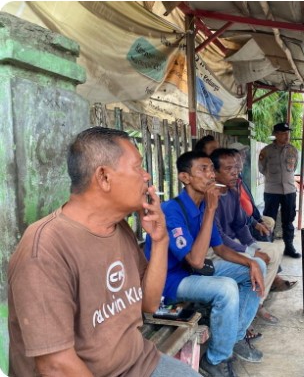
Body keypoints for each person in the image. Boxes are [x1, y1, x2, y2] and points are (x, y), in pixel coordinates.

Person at [8, 127, 199, 377]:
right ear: (104, 177)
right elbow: (55, 366)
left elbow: (149, 303)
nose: (146, 176)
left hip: (140, 363)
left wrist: (161, 239)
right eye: (138, 167)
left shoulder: (119, 228)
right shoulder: (45, 248)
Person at [144, 150, 266, 377]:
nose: (211, 175)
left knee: (258, 266)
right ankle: (216, 359)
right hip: (169, 283)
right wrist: (211, 209)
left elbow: (220, 249)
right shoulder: (172, 210)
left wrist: (252, 263)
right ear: (184, 177)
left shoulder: (202, 206)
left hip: (192, 273)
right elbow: (196, 260)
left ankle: (234, 338)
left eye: (212, 169)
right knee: (226, 289)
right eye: (203, 169)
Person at [210, 148, 283, 324]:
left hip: (231, 243)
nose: (235, 172)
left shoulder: (232, 193)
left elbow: (240, 225)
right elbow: (218, 237)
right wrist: (250, 252)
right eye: (228, 169)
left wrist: (253, 247)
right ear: (214, 172)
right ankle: (248, 311)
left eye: (236, 167)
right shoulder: (210, 197)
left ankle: (257, 303)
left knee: (275, 249)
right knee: (257, 263)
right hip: (215, 248)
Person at [258, 122, 300, 258]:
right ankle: (267, 246)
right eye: (282, 133)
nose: (286, 135)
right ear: (275, 134)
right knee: (269, 219)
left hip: (289, 190)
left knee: (288, 220)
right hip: (272, 190)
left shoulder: (293, 150)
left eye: (287, 133)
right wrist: (273, 178)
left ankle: (289, 247)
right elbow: (262, 168)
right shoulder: (266, 151)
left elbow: (294, 168)